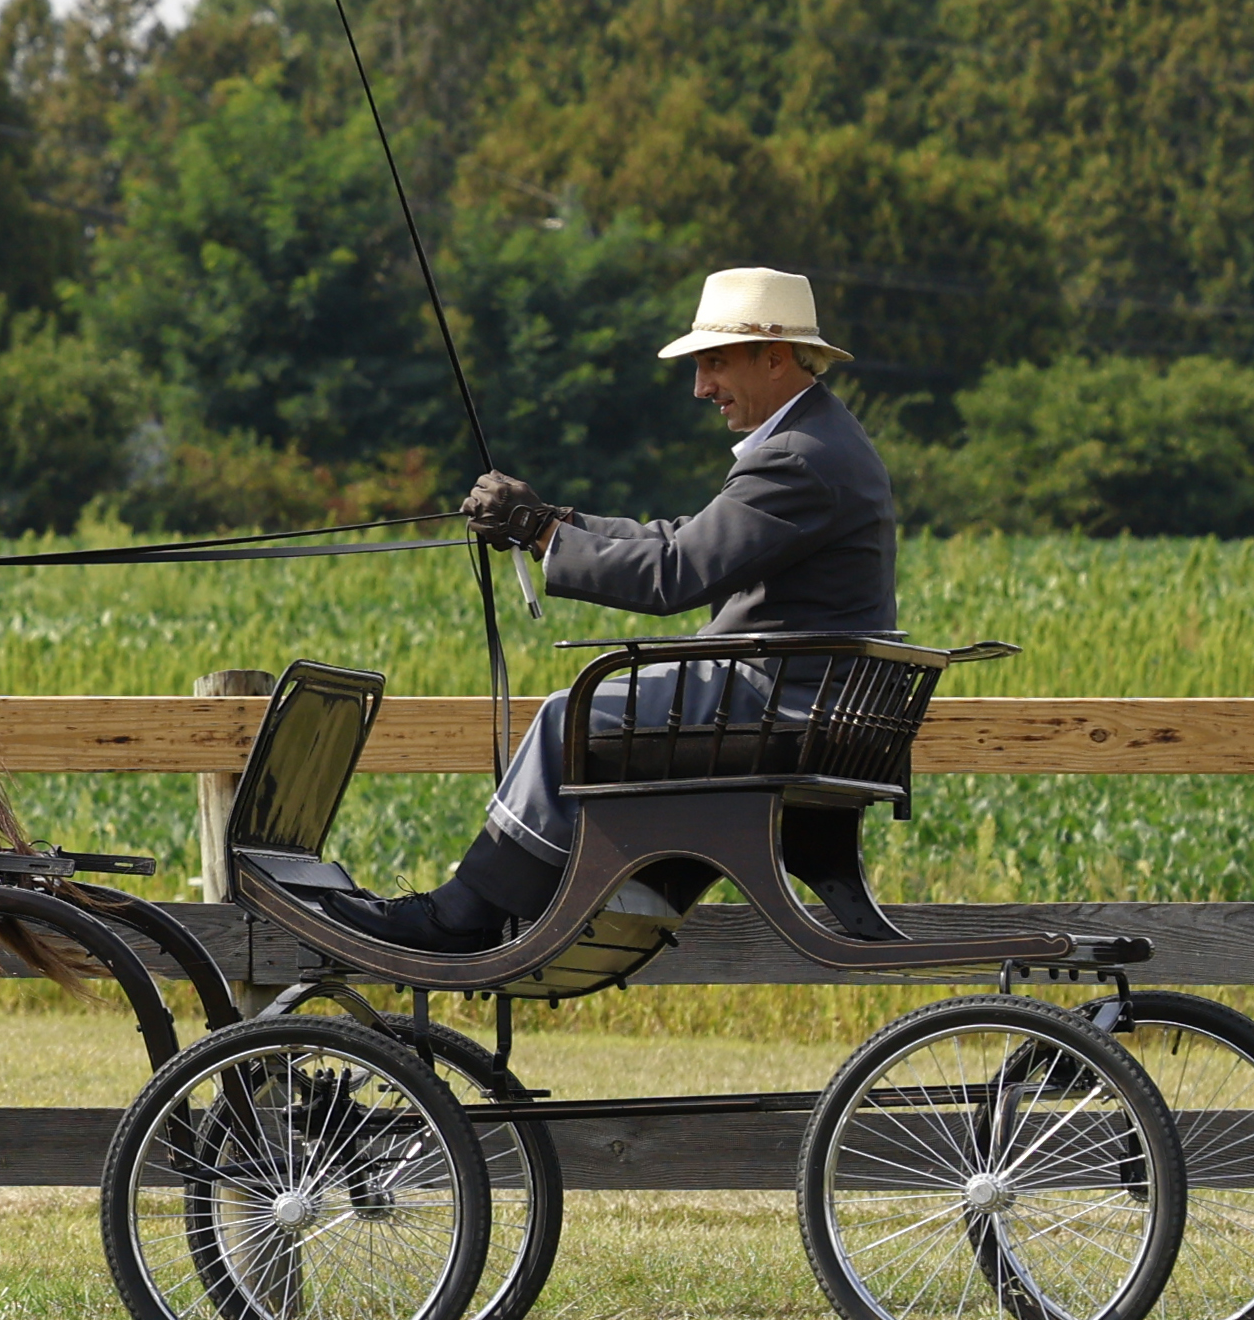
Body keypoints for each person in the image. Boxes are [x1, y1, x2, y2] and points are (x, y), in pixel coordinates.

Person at [290, 265, 901, 956]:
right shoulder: (815, 443)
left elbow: (675, 575)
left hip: (776, 703)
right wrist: (552, 520)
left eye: (714, 363)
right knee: (582, 710)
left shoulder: (798, 457)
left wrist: (543, 536)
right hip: (796, 697)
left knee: (567, 715)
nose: (702, 388)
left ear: (775, 355)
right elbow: (681, 540)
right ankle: (575, 895)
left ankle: (465, 913)